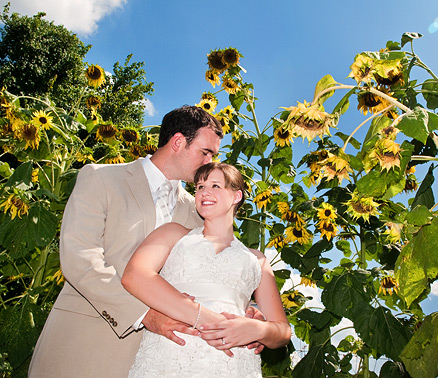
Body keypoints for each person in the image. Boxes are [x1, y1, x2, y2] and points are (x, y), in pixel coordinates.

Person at [28, 106, 262, 378]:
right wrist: (144, 314)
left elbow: (210, 276)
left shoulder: (199, 213)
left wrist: (245, 314)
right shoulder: (101, 178)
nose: (210, 162)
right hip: (83, 348)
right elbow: (80, 259)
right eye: (205, 152)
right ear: (177, 142)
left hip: (161, 360)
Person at [122, 162, 291, 378]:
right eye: (200, 187)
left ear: (236, 196)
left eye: (215, 186)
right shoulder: (173, 234)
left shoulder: (257, 260)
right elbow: (134, 276)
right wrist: (210, 320)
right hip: (169, 357)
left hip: (233, 364)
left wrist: (257, 330)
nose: (204, 192)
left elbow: (283, 331)